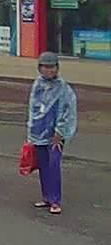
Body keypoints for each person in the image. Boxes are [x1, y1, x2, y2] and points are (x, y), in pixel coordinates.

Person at [27, 51, 78, 214]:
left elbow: (67, 110)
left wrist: (60, 131)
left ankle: (55, 200)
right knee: (43, 165)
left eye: (52, 67)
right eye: (45, 67)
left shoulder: (63, 88)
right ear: (39, 68)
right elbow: (33, 109)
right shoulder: (37, 85)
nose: (49, 70)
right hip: (39, 133)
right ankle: (46, 197)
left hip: (56, 135)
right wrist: (31, 132)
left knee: (53, 165)